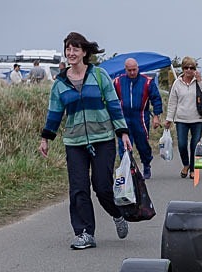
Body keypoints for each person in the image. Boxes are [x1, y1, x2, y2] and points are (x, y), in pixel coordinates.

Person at [39, 31, 132, 250]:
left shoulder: (99, 75)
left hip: (102, 139)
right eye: (68, 49)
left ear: (84, 52)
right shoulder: (60, 83)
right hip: (74, 142)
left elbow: (113, 105)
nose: (71, 53)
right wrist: (46, 138)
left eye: (75, 49)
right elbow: (54, 112)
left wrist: (123, 132)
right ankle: (84, 233)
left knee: (102, 187)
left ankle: (117, 214)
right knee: (78, 188)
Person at [113, 58, 163, 179]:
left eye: (134, 70)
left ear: (138, 68)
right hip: (124, 118)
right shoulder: (118, 82)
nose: (132, 72)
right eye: (129, 70)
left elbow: (156, 99)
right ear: (125, 69)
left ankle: (146, 164)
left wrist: (156, 116)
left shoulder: (147, 82)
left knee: (142, 144)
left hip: (140, 117)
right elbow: (112, 100)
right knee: (123, 145)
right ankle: (128, 169)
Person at [164, 56, 202, 179]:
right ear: (183, 69)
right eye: (186, 68)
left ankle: (193, 168)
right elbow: (172, 102)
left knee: (195, 144)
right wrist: (169, 119)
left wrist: (200, 80)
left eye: (191, 68)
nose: (189, 70)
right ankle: (186, 164)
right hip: (181, 119)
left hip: (198, 119)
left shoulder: (198, 82)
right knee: (181, 144)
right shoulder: (177, 83)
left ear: (195, 69)